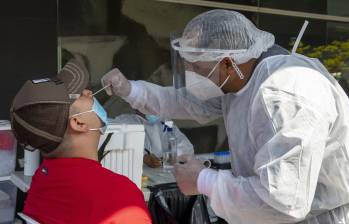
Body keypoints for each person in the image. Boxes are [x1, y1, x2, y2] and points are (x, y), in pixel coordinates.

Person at [100, 9, 349, 224]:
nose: (190, 73)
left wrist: (203, 180)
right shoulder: (240, 79)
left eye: (196, 67)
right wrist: (131, 90)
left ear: (228, 63)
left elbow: (283, 200)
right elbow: (187, 103)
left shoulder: (283, 95)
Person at [10, 58, 152, 224]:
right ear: (78, 123)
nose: (89, 93)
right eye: (81, 94)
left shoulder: (43, 178)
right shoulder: (119, 195)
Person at [114, 112, 194, 168]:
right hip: (139, 175)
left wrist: (168, 158)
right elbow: (115, 150)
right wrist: (143, 158)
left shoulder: (166, 122)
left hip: (165, 174)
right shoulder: (124, 121)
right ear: (136, 105)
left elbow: (187, 147)